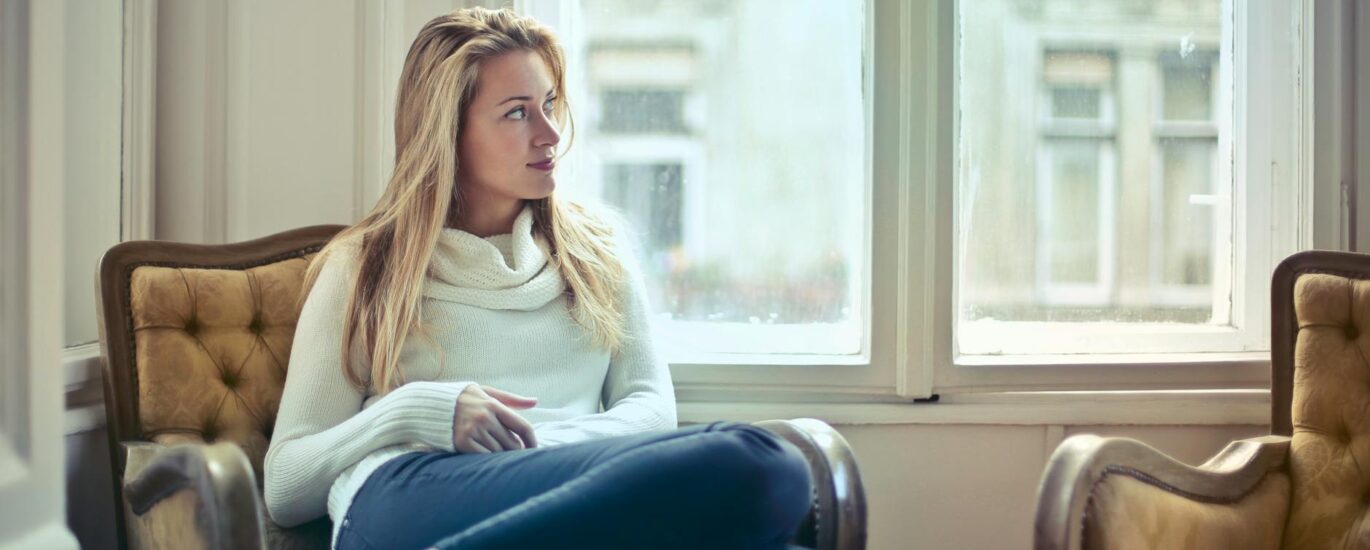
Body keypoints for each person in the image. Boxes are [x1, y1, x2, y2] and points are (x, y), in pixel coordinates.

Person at [262, 7, 813, 550]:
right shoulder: (364, 267)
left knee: (776, 471)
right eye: (517, 113)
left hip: (571, 482)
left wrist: (537, 452)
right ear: (447, 133)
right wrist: (420, 410)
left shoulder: (596, 249)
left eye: (548, 104)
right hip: (409, 494)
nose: (550, 133)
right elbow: (287, 483)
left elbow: (650, 408)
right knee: (761, 462)